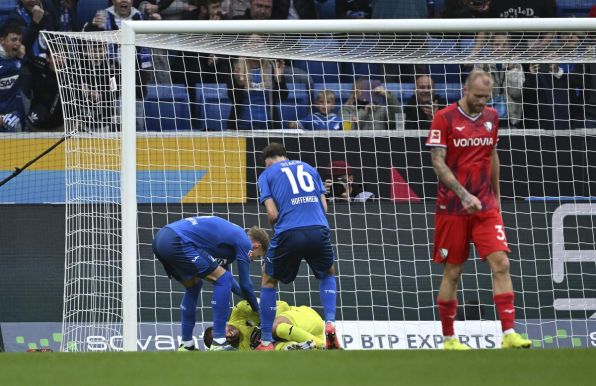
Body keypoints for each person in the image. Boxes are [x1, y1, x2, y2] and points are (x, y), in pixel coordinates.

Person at [426, 70, 532, 350]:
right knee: (453, 272)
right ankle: (449, 338)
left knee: (502, 263)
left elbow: (492, 155)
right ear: (465, 89)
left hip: (485, 206)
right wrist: (462, 194)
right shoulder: (444, 117)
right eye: (478, 96)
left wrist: (496, 197)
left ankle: (509, 333)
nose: (483, 102)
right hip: (452, 208)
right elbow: (438, 162)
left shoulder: (492, 118)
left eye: (487, 97)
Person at [254, 142, 341, 350]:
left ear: (268, 162)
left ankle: (266, 341)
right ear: (285, 155)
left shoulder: (266, 175)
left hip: (289, 232)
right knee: (328, 273)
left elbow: (273, 215)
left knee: (268, 279)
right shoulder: (309, 168)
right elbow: (324, 207)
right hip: (319, 229)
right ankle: (330, 324)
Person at [152, 216, 269, 351]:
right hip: (178, 240)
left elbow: (230, 283)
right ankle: (219, 341)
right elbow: (245, 284)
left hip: (161, 238)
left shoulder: (228, 244)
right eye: (258, 256)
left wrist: (252, 299)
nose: (255, 259)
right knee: (223, 278)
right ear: (256, 246)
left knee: (194, 286)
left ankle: (187, 344)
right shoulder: (245, 242)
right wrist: (257, 308)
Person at [203, 300, 324, 350]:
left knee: (272, 328)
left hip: (304, 319)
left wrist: (265, 327)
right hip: (314, 335)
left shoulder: (239, 312)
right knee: (270, 349)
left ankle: (323, 345)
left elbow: (281, 305)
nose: (227, 336)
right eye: (224, 340)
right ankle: (296, 348)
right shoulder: (243, 350)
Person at [0, 22, 25, 132]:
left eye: (20, 40)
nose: (18, 44)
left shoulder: (19, 58)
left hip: (14, 114)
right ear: (2, 41)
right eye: (14, 40)